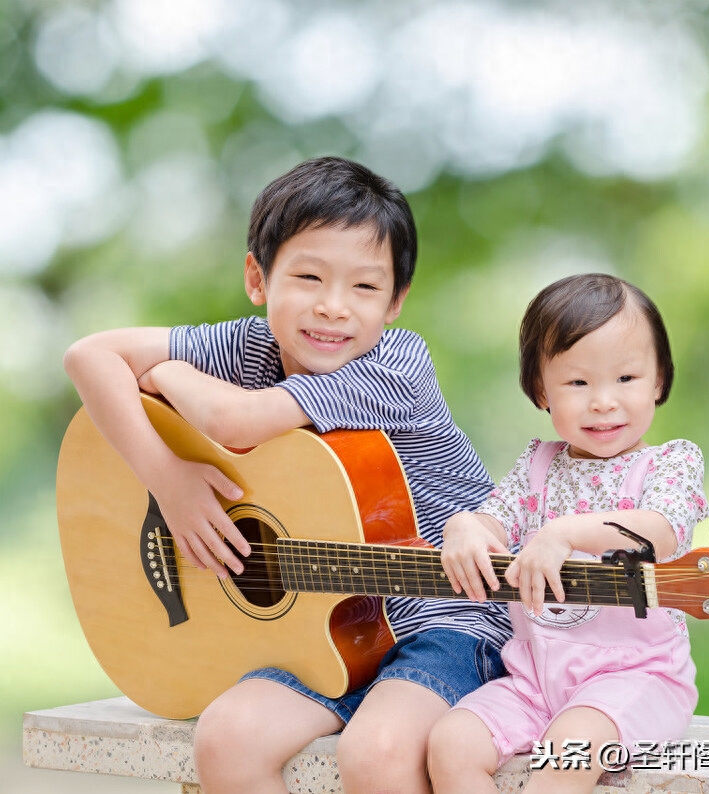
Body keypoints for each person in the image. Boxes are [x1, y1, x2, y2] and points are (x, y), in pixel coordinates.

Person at [63, 156, 511, 794]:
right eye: (308, 276)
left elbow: (235, 421)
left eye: (364, 288)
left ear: (395, 303)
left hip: (445, 620)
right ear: (257, 276)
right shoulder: (249, 346)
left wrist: (159, 371)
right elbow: (88, 356)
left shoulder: (397, 368)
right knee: (225, 740)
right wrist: (170, 480)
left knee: (377, 754)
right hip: (321, 625)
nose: (333, 308)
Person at [428, 273, 709, 794]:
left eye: (626, 379)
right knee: (449, 743)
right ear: (541, 390)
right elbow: (491, 518)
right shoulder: (537, 467)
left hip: (636, 680)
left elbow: (661, 531)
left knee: (566, 755)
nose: (603, 401)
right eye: (578, 383)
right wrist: (464, 527)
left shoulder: (669, 464)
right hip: (535, 682)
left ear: (659, 381)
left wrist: (565, 532)